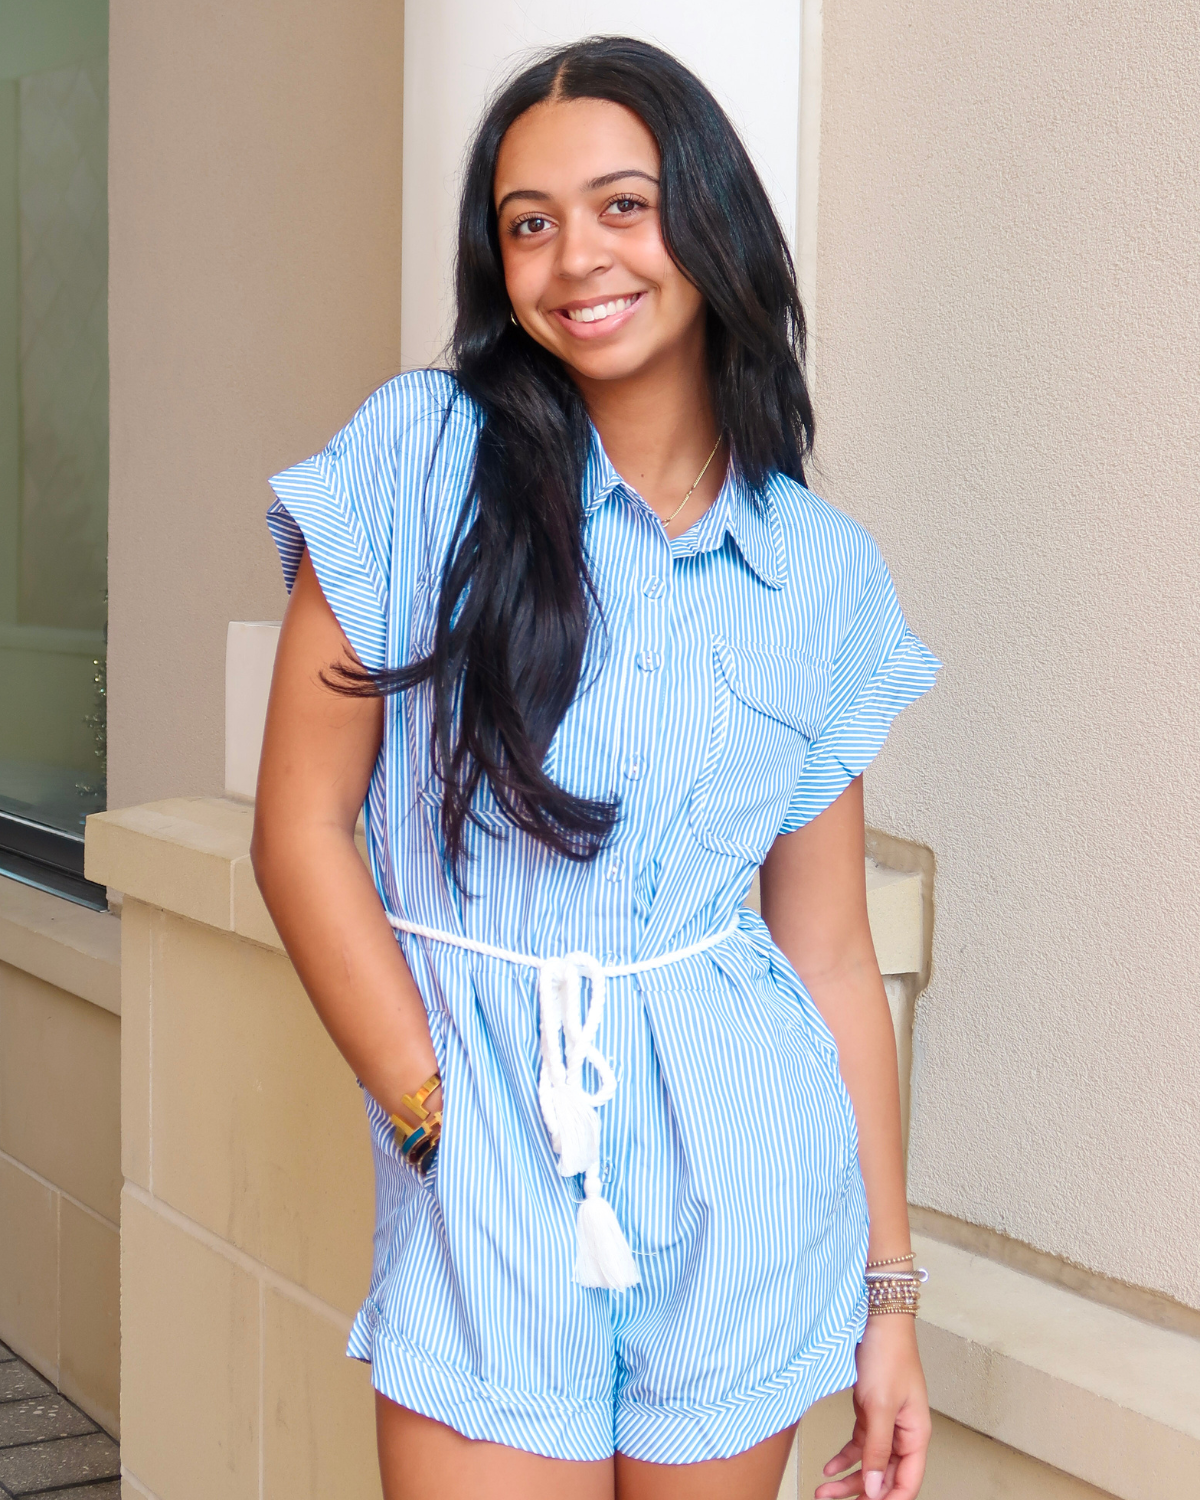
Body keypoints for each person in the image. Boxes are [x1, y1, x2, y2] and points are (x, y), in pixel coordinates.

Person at [252, 35, 939, 1500]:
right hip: (490, 1165)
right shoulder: (416, 460)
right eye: (529, 222)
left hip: (743, 1182)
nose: (575, 259)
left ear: (708, 221)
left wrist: (890, 1303)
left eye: (623, 205)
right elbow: (300, 827)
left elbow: (827, 953)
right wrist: (430, 1112)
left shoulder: (821, 575)